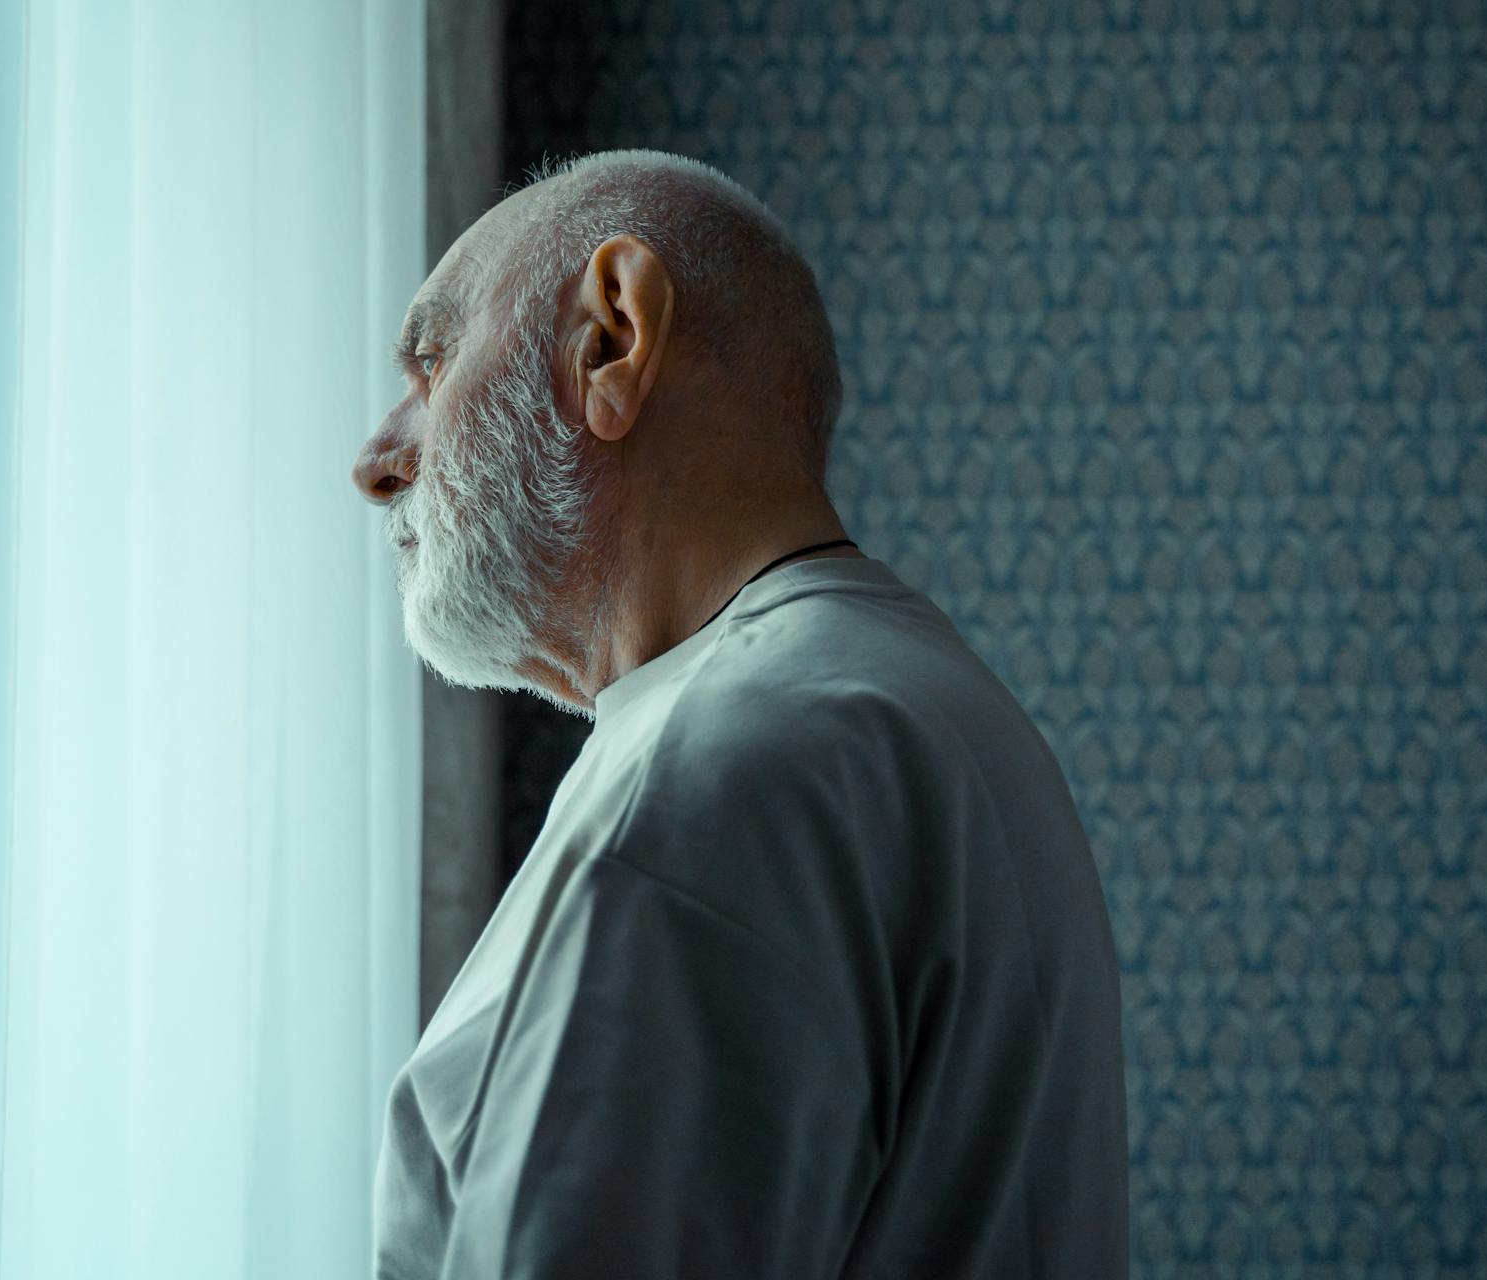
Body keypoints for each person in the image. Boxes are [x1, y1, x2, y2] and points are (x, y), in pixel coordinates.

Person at [351, 149, 1129, 1278]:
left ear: (611, 338)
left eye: (431, 365)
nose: (377, 461)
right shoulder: (928, 712)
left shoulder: (712, 773)